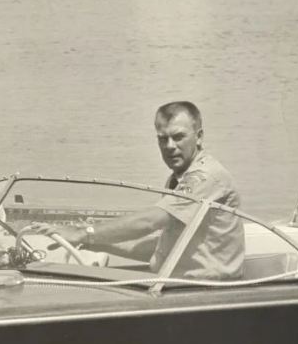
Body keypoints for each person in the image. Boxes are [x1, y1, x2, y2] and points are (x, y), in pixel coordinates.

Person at [32, 101, 244, 280]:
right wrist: (94, 244)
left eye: (178, 137)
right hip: (179, 288)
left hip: (209, 294)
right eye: (163, 138)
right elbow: (161, 249)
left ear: (198, 137)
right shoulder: (178, 179)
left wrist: (84, 234)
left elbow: (151, 221)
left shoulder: (205, 177)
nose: (170, 146)